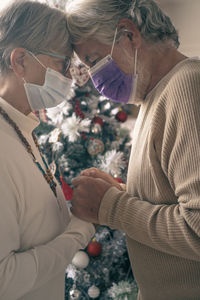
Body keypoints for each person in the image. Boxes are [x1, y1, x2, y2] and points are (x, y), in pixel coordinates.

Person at [66, 0, 200, 299]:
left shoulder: (188, 87)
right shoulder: (154, 97)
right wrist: (122, 193)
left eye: (93, 59)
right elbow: (170, 197)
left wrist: (112, 206)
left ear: (128, 33)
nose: (94, 78)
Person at [0, 1, 95, 300]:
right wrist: (80, 230)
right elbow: (5, 279)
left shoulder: (20, 128)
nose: (69, 76)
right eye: (61, 64)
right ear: (20, 61)